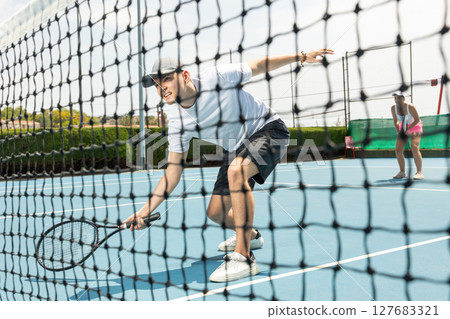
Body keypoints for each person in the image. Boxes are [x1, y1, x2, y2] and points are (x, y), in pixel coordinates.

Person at [122, 49, 334, 282]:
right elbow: (172, 173)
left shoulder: (218, 77)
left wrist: (299, 57)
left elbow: (259, 65)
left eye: (166, 79)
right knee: (216, 213)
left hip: (269, 130)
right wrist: (144, 211)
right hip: (236, 147)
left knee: (236, 171)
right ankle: (251, 235)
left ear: (185, 75)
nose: (161, 87)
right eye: (155, 84)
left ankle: (244, 257)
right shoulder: (176, 120)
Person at [390, 91, 424, 180]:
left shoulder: (410, 107)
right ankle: (402, 172)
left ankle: (419, 172)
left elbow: (417, 119)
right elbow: (395, 121)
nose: (397, 100)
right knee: (398, 150)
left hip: (415, 126)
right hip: (404, 125)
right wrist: (399, 132)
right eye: (395, 98)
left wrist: (408, 129)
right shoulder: (393, 108)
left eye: (399, 98)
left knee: (414, 147)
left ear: (403, 98)